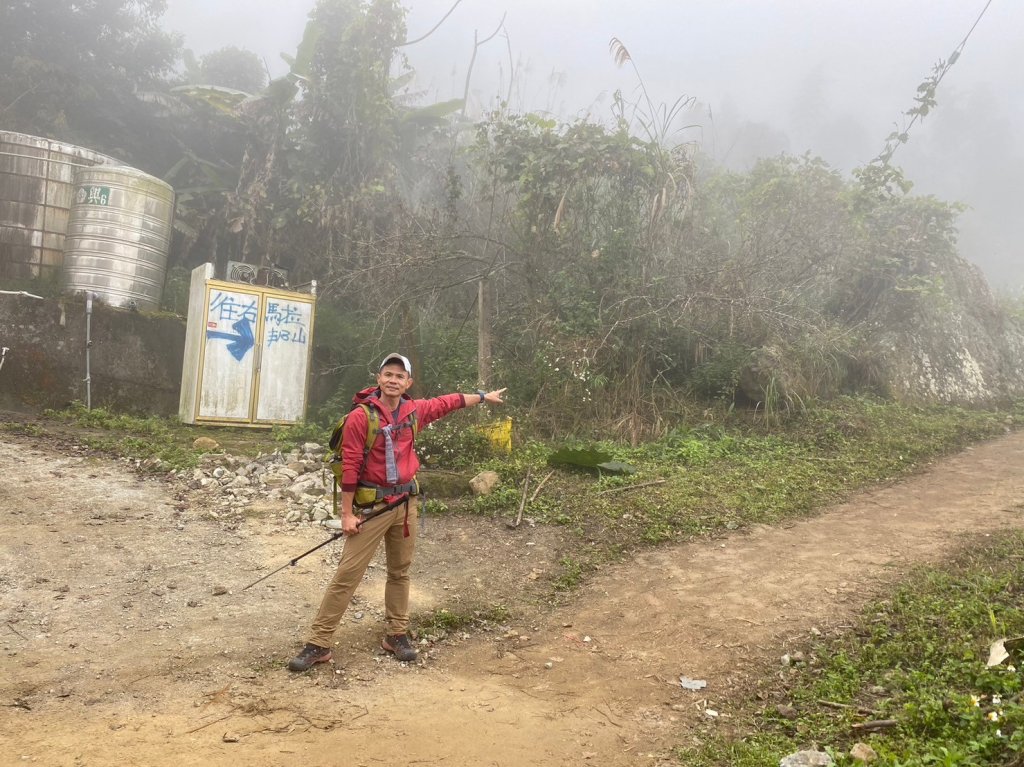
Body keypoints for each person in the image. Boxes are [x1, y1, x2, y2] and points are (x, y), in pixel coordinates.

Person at [288, 352, 506, 672]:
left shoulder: (414, 411)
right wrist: (346, 515)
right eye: (387, 374)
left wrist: (484, 397)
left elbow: (449, 401)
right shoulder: (361, 417)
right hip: (372, 508)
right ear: (378, 379)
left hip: (405, 504)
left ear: (408, 383)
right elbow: (350, 468)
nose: (393, 380)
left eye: (399, 376)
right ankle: (319, 643)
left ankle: (396, 634)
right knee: (348, 575)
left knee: (400, 571)